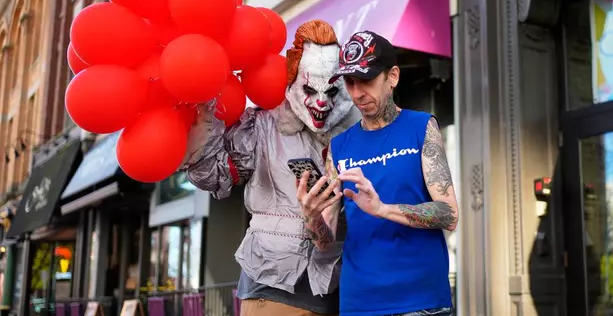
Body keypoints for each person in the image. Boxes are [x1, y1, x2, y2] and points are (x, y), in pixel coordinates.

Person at [181, 20, 361, 316]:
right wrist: (203, 129)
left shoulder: (354, 133)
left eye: (330, 91)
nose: (320, 102)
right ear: (292, 80)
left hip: (337, 289)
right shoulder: (264, 126)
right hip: (271, 281)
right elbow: (214, 177)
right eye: (310, 88)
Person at [296, 31, 459, 316]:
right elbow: (325, 242)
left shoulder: (421, 128)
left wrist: (382, 208)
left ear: (392, 77)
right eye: (350, 82)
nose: (358, 93)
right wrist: (312, 218)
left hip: (420, 299)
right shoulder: (339, 147)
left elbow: (449, 214)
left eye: (367, 80)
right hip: (360, 302)